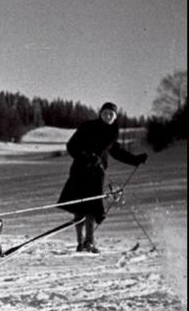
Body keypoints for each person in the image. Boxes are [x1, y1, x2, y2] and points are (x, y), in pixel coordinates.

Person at [57, 101, 147, 253]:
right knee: (79, 206)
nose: (108, 116)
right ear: (100, 114)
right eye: (105, 113)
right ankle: (80, 242)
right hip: (81, 171)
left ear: (115, 117)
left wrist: (135, 160)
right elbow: (71, 146)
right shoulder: (87, 127)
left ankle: (89, 242)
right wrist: (86, 156)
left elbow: (117, 152)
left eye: (111, 114)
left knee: (92, 207)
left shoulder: (111, 134)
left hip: (97, 174)